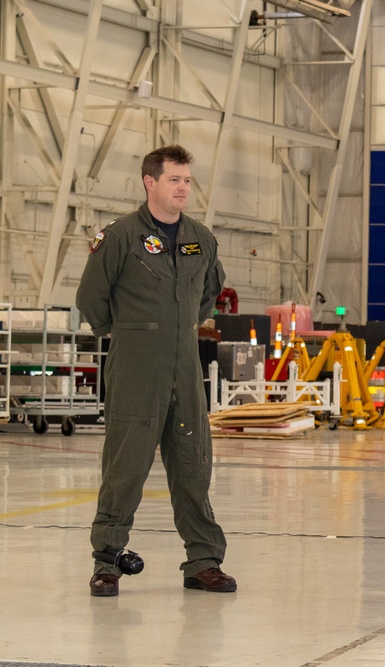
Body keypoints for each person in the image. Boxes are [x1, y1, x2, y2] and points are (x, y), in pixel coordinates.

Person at [77, 145, 236, 597]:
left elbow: (211, 288)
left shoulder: (200, 238)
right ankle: (107, 561)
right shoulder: (121, 236)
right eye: (174, 180)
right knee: (125, 467)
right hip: (136, 366)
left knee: (193, 466)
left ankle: (203, 561)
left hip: (185, 366)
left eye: (187, 180)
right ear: (151, 182)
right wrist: (131, 332)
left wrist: (180, 324)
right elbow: (92, 298)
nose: (183, 187)